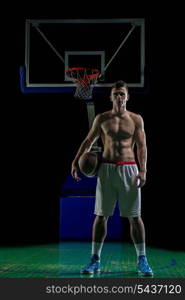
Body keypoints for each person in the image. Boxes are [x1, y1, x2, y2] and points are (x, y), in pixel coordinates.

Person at [71, 80, 153, 276]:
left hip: (129, 170)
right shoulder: (102, 118)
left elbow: (142, 146)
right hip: (106, 170)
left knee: (135, 217)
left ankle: (142, 259)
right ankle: (95, 259)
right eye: (115, 94)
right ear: (110, 97)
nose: (119, 97)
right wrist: (75, 162)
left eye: (122, 94)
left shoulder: (136, 119)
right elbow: (88, 141)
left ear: (127, 97)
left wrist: (144, 171)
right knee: (101, 216)